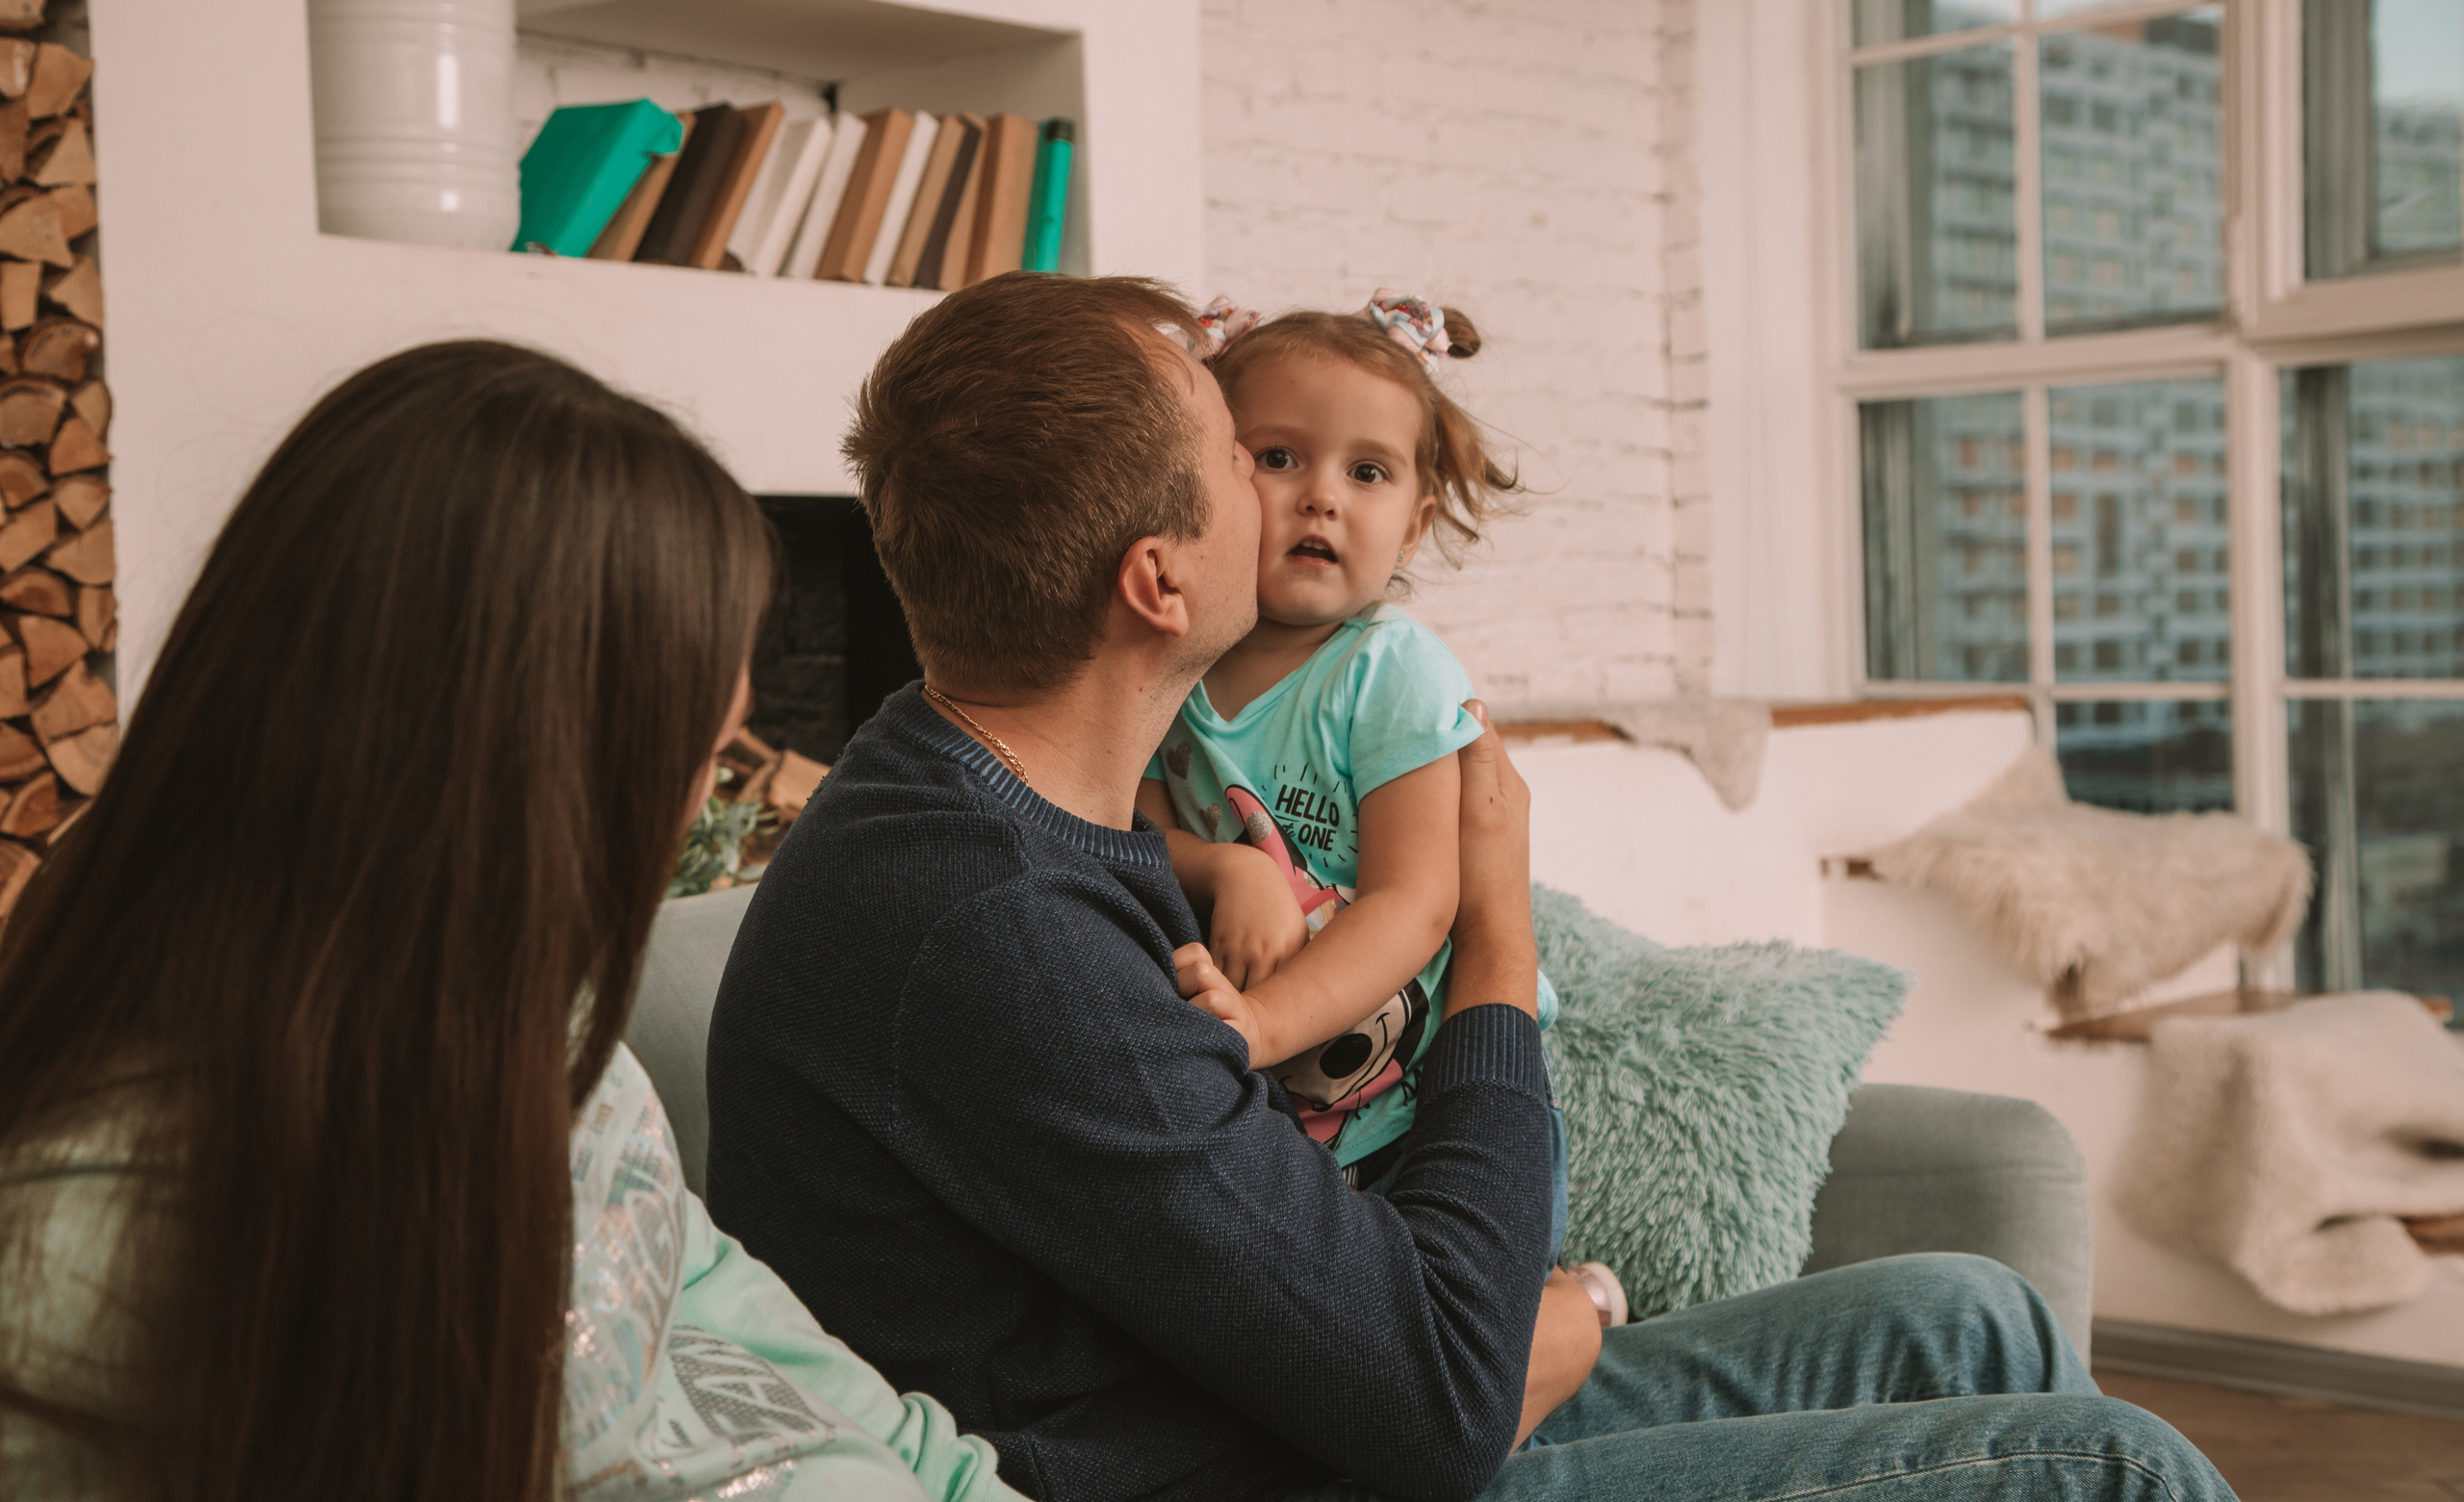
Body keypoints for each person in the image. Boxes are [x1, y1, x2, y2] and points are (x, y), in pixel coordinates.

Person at [706, 272, 2237, 1502]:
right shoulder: (997, 931)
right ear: (1160, 581)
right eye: (1242, 456)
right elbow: (1440, 1408)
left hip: (1301, 1397)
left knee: (1977, 1315)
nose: (1287, 485)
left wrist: (1520, 1338)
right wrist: (1495, 933)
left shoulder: (962, 782)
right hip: (1288, 1461)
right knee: (2114, 1465)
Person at [0, 342, 1026, 1502]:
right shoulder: (81, 1269)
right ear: (534, 760)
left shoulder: (550, 1018)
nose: (705, 791)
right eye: (695, 749)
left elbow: (715, 1293)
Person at [1136, 290, 1614, 1319]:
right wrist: (1225, 867)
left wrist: (1260, 1024)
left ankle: (1570, 1313)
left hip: (1426, 1117)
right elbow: (1132, 834)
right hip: (1291, 1125)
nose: (1322, 499)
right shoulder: (1175, 664)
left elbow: (1415, 904)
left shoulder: (1391, 673)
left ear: (1414, 523)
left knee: (1466, 1355)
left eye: (1367, 472)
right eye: (1278, 458)